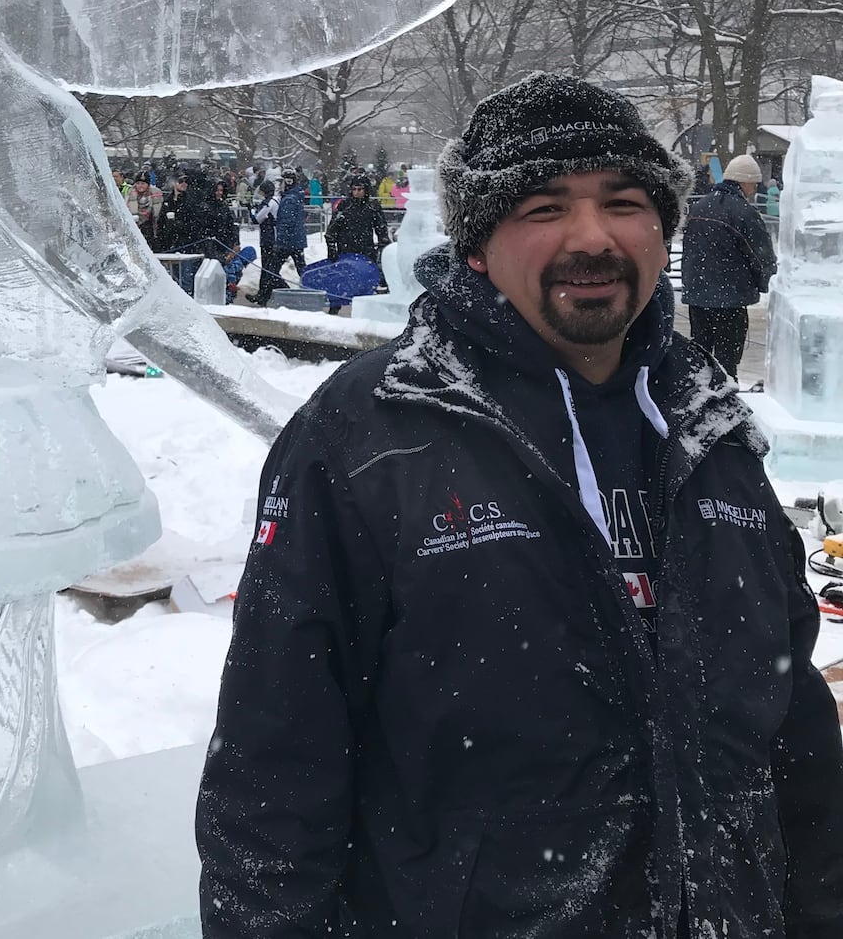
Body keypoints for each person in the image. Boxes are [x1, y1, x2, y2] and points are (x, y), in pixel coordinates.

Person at [198, 73, 843, 939]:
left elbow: (792, 726)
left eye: (623, 202)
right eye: (543, 208)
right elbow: (273, 770)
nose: (592, 237)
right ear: (476, 245)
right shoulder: (365, 438)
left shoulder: (710, 426)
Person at [681, 153, 777, 382]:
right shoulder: (744, 212)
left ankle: (697, 398)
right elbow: (760, 254)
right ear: (743, 182)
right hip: (730, 298)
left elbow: (690, 250)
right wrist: (766, 281)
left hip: (698, 295)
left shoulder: (698, 207)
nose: (754, 190)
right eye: (753, 184)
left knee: (700, 353)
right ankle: (725, 400)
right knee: (727, 359)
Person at [252, 172, 307, 305]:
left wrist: (280, 241)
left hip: (288, 242)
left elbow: (286, 223)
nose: (279, 185)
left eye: (282, 182)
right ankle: (264, 297)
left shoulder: (289, 199)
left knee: (272, 270)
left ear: (288, 182)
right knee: (301, 270)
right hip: (295, 241)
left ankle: (268, 296)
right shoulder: (292, 197)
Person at [158, 168, 212, 295]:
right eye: (180, 181)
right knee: (171, 278)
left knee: (186, 278)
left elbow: (196, 223)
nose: (183, 183)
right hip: (170, 244)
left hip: (187, 245)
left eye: (186, 181)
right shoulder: (167, 201)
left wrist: (179, 225)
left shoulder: (191, 201)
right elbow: (161, 223)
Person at [324, 176, 390, 263]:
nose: (356, 192)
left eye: (359, 189)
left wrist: (381, 249)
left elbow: (382, 231)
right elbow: (331, 231)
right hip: (345, 252)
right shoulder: (344, 206)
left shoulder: (373, 207)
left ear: (366, 190)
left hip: (366, 253)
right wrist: (332, 250)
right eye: (354, 189)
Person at [125, 170, 162, 248]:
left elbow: (158, 215)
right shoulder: (130, 195)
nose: (140, 186)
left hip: (150, 229)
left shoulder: (155, 196)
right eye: (138, 183)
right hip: (134, 229)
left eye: (143, 183)